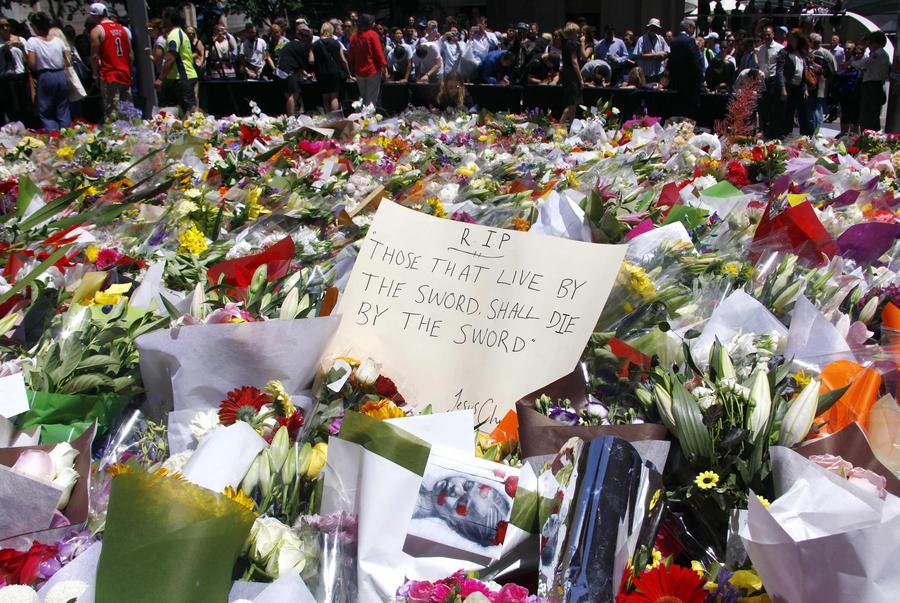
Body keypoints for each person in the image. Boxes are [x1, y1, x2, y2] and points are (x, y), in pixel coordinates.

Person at [25, 11, 71, 131]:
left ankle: (54, 139)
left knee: (46, 112)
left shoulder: (33, 41)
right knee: (63, 109)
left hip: (45, 76)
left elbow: (32, 64)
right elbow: (67, 60)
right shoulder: (58, 41)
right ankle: (67, 137)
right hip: (60, 74)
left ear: (35, 26)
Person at [89, 2, 132, 120]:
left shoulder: (97, 31)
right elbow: (130, 54)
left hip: (109, 75)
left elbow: (94, 56)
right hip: (125, 74)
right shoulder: (122, 29)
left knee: (111, 113)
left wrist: (95, 75)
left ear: (95, 16)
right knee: (127, 112)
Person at [154, 7, 197, 115]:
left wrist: (160, 79)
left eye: (163, 18)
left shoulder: (173, 35)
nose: (162, 21)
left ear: (169, 19)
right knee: (178, 112)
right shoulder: (180, 33)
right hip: (179, 78)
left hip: (182, 78)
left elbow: (170, 58)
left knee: (189, 112)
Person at [776, 29, 813, 137]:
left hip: (800, 86)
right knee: (788, 113)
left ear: (797, 39)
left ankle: (806, 137)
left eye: (792, 37)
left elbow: (804, 71)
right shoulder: (784, 52)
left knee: (804, 113)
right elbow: (780, 71)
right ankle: (786, 135)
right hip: (789, 86)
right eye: (789, 37)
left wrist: (805, 87)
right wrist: (783, 88)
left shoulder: (802, 53)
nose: (790, 39)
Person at [853, 31, 889, 132]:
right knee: (867, 115)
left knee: (870, 116)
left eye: (870, 43)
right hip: (871, 85)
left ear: (877, 43)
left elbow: (863, 63)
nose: (868, 45)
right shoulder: (876, 53)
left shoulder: (878, 53)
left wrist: (850, 63)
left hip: (873, 86)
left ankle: (871, 138)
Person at [348, 14, 387, 107]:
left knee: (363, 96)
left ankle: (361, 118)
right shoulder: (373, 35)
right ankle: (369, 119)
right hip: (372, 70)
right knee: (371, 98)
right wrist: (384, 67)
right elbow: (378, 53)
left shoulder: (354, 37)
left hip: (359, 72)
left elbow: (350, 56)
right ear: (369, 23)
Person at [668, 19, 704, 118]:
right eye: (693, 28)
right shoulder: (689, 41)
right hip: (690, 83)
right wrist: (700, 79)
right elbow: (694, 62)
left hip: (677, 82)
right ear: (689, 27)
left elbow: (670, 62)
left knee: (680, 109)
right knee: (690, 110)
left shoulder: (674, 41)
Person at [312, 22, 351, 113]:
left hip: (321, 73)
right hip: (334, 72)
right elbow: (344, 60)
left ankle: (328, 118)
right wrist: (349, 74)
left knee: (325, 97)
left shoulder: (315, 44)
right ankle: (335, 119)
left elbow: (311, 60)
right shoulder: (336, 43)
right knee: (334, 96)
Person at [278, 25, 313, 116]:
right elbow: (306, 64)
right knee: (294, 94)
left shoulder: (289, 44)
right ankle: (291, 117)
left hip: (280, 72)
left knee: (289, 95)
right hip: (288, 72)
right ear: (303, 37)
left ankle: (291, 114)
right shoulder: (301, 46)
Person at [0, 15, 29, 125]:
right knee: (11, 110)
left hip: (20, 77)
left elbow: (27, 60)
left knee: (24, 108)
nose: (5, 28)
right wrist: (3, 49)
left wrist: (21, 47)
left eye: (7, 25)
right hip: (5, 78)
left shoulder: (20, 40)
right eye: (2, 26)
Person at [756, 26, 782, 138]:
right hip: (763, 80)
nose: (766, 36)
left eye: (769, 34)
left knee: (773, 107)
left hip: (773, 80)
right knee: (762, 107)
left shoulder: (779, 48)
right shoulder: (760, 49)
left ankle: (773, 131)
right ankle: (763, 130)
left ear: (773, 34)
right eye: (765, 34)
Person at [808, 33, 835, 131]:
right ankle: (815, 129)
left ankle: (817, 130)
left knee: (817, 107)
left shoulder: (823, 53)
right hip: (813, 83)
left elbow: (832, 70)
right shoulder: (814, 52)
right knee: (815, 107)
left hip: (819, 83)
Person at [834, 41, 861, 134]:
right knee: (845, 115)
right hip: (844, 94)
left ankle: (855, 137)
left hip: (855, 94)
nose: (846, 50)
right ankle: (843, 134)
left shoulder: (858, 63)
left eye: (849, 49)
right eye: (845, 48)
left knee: (855, 118)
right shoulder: (844, 61)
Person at [559, 22, 583, 123]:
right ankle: (560, 125)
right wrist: (580, 78)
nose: (578, 35)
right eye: (576, 32)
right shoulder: (572, 44)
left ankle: (572, 127)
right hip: (572, 75)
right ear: (572, 32)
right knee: (572, 104)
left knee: (573, 104)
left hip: (566, 73)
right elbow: (574, 62)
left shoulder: (565, 43)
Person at [634, 18, 669, 83]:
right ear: (648, 27)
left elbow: (667, 51)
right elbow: (639, 55)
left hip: (658, 73)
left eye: (656, 28)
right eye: (652, 27)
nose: (654, 29)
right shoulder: (641, 39)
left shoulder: (660, 39)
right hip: (646, 74)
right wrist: (655, 54)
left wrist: (663, 55)